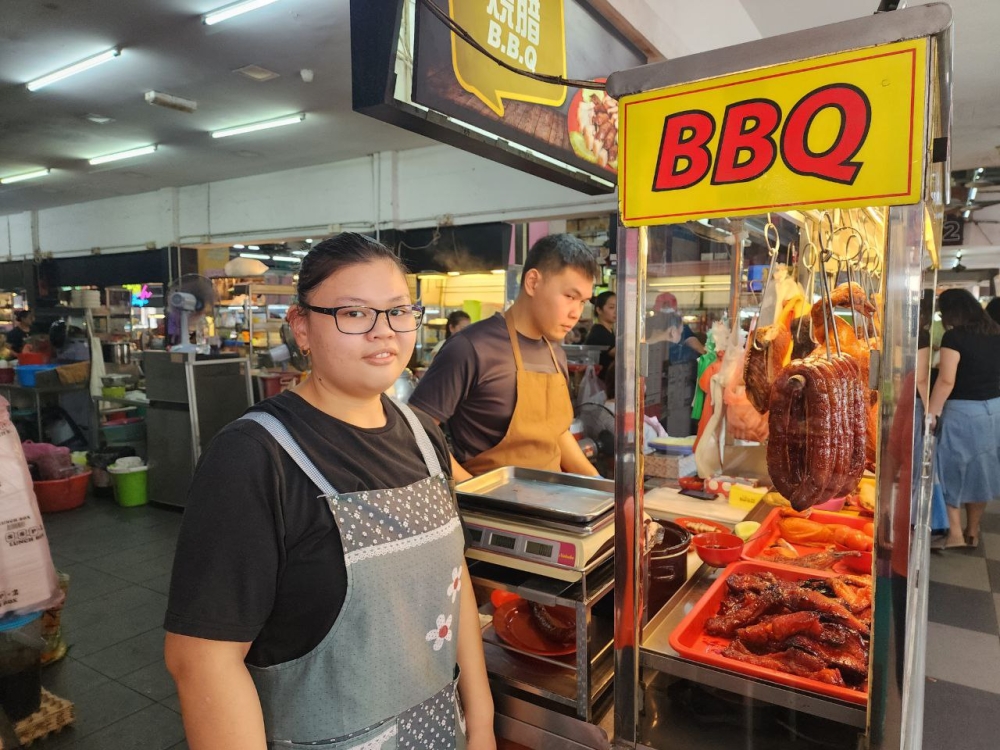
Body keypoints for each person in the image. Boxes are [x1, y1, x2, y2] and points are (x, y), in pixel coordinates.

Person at [164, 233, 494, 750]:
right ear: (302, 327)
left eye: (398, 311)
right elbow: (202, 660)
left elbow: (455, 586)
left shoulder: (424, 435)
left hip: (438, 732)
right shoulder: (254, 457)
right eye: (354, 313)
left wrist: (481, 720)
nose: (383, 332)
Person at [410, 233, 600, 480]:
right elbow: (417, 428)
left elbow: (558, 435)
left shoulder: (556, 354)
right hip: (493, 514)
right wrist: (473, 492)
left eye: (583, 301)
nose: (576, 312)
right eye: (570, 297)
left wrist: (604, 491)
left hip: (551, 504)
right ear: (533, 282)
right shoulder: (471, 347)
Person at [926, 288, 1000, 550]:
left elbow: (946, 380)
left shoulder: (954, 337)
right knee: (982, 472)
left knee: (951, 470)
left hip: (963, 413)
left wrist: (931, 413)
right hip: (993, 411)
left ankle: (955, 533)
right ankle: (973, 530)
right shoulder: (995, 334)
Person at [584, 291, 616, 376]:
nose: (616, 311)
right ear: (599, 310)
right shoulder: (599, 332)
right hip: (602, 384)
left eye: (618, 307)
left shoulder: (610, 330)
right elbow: (619, 353)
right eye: (611, 307)